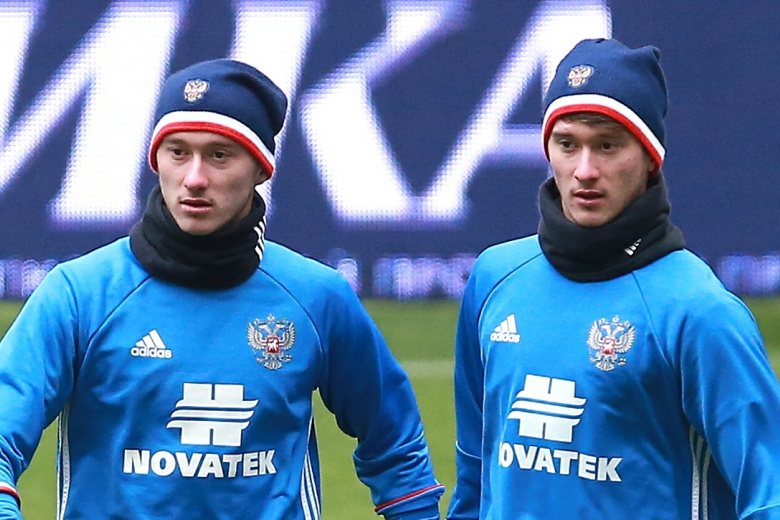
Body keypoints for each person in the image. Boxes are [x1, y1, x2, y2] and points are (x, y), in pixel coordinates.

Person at [0, 59, 444, 519]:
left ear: (261, 169)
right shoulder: (79, 295)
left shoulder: (316, 298)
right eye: (177, 152)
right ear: (156, 160)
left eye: (219, 155)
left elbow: (395, 442)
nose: (194, 178)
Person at [447, 38, 780, 519]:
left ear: (649, 156)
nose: (585, 170)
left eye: (607, 145)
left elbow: (770, 492)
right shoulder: (494, 279)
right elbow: (476, 475)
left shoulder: (699, 312)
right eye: (568, 144)